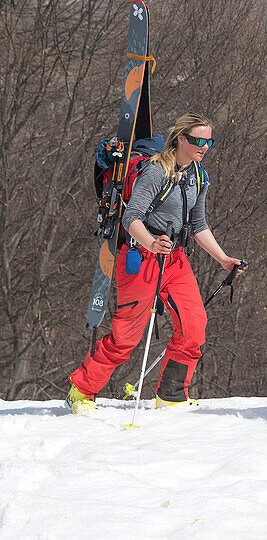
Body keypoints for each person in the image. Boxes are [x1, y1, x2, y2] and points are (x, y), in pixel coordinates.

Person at [67, 113, 246, 412]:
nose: (204, 147)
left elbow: (198, 224)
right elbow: (131, 216)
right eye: (197, 140)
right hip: (141, 257)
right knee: (125, 338)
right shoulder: (155, 172)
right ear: (180, 139)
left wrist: (224, 259)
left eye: (208, 141)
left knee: (194, 326)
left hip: (174, 260)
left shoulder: (198, 176)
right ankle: (82, 390)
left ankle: (172, 394)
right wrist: (151, 241)